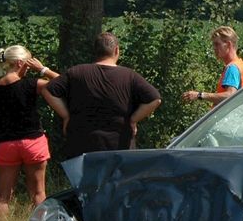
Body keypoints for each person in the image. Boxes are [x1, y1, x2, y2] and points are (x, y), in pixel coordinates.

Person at [43, 32, 162, 160]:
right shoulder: (129, 76)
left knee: (86, 180)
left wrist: (66, 116)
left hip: (81, 143)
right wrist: (133, 120)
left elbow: (48, 90)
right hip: (119, 145)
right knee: (117, 180)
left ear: (95, 51)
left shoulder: (76, 72)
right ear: (117, 50)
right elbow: (155, 99)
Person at [0, 45, 58, 218]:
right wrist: (43, 69)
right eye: (28, 64)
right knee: (38, 193)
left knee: (3, 197)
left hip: (6, 143)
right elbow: (63, 83)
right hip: (33, 141)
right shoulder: (32, 84)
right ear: (20, 62)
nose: (29, 68)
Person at [182, 26, 243, 106]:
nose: (214, 48)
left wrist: (200, 95)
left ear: (228, 45)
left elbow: (230, 95)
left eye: (217, 44)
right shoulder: (241, 65)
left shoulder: (232, 68)